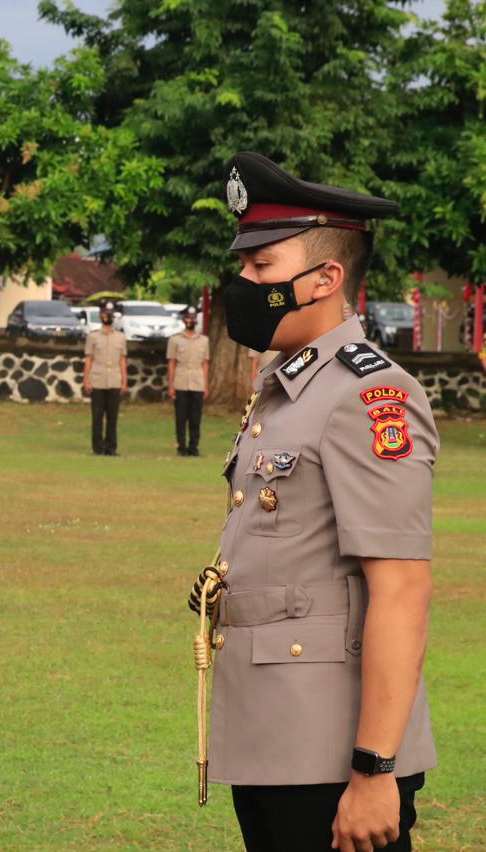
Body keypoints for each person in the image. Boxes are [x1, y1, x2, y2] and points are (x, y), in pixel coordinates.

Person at [203, 152, 437, 851]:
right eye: (243, 266)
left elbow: (401, 588)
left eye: (262, 266)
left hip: (334, 757)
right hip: (273, 736)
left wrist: (374, 770)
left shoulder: (368, 394)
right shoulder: (285, 386)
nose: (244, 283)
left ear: (326, 279)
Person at [83, 300, 128, 455]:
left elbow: (122, 360)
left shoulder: (120, 337)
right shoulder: (93, 336)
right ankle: (97, 447)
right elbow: (89, 359)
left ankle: (111, 447)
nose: (107, 317)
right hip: (97, 380)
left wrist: (124, 380)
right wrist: (86, 379)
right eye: (104, 314)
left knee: (112, 417)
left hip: (114, 380)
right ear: (100, 316)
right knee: (97, 417)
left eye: (109, 315)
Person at [167, 305, 209, 455]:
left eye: (192, 318)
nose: (190, 321)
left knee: (195, 417)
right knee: (181, 417)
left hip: (197, 383)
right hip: (181, 382)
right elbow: (172, 363)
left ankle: (193, 447)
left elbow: (205, 363)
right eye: (187, 318)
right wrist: (171, 385)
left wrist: (205, 385)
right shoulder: (175, 340)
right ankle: (181, 447)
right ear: (183, 320)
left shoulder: (203, 340)